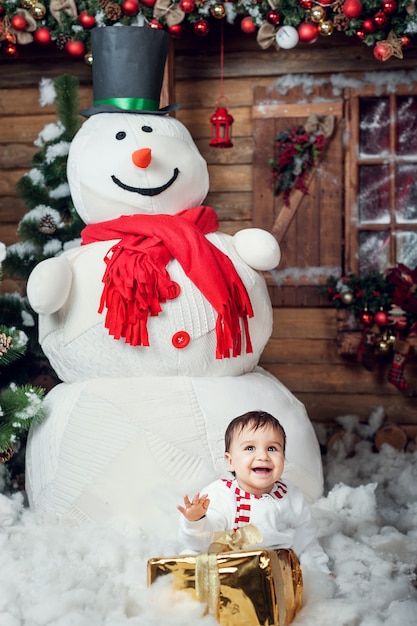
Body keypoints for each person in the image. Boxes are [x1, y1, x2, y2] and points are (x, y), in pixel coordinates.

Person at [177, 410, 330, 574]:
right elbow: (201, 541)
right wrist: (196, 520)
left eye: (272, 448)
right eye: (250, 448)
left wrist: (321, 570)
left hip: (272, 570)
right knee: (192, 559)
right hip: (224, 567)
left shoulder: (290, 495)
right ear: (230, 462)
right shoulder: (220, 494)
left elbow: (307, 539)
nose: (263, 456)